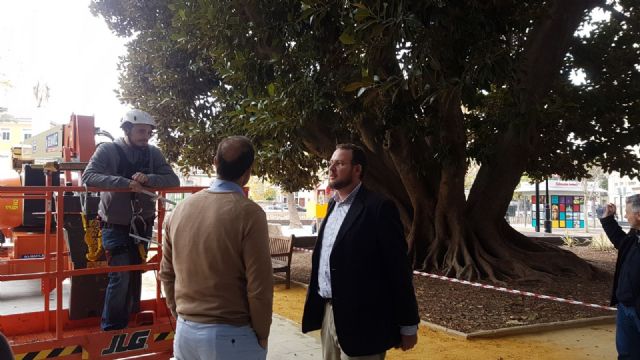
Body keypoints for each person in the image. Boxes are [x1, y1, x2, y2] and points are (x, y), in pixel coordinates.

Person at [159, 136, 273, 360]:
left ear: (215, 162)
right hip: (231, 335)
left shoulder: (180, 210)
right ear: (249, 171)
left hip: (185, 331)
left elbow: (166, 273)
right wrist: (263, 332)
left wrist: (179, 312)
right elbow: (259, 285)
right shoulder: (249, 214)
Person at [302, 143, 420, 359]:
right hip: (329, 314)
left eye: (339, 164)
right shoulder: (332, 206)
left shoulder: (379, 208)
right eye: (330, 164)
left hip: (365, 321)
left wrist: (408, 324)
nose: (331, 169)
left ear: (357, 170)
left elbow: (399, 270)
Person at [82, 109, 180, 331]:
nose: (146, 136)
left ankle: (131, 319)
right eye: (141, 131)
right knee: (121, 276)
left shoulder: (153, 154)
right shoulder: (108, 150)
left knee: (135, 272)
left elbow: (172, 179)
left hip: (142, 226)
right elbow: (88, 176)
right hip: (114, 226)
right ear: (127, 130)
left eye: (148, 132)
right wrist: (123, 183)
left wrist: (149, 179)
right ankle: (113, 328)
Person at [599, 195, 640, 359]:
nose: (625, 216)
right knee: (626, 354)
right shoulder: (634, 236)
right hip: (625, 307)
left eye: (627, 212)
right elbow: (621, 242)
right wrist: (608, 220)